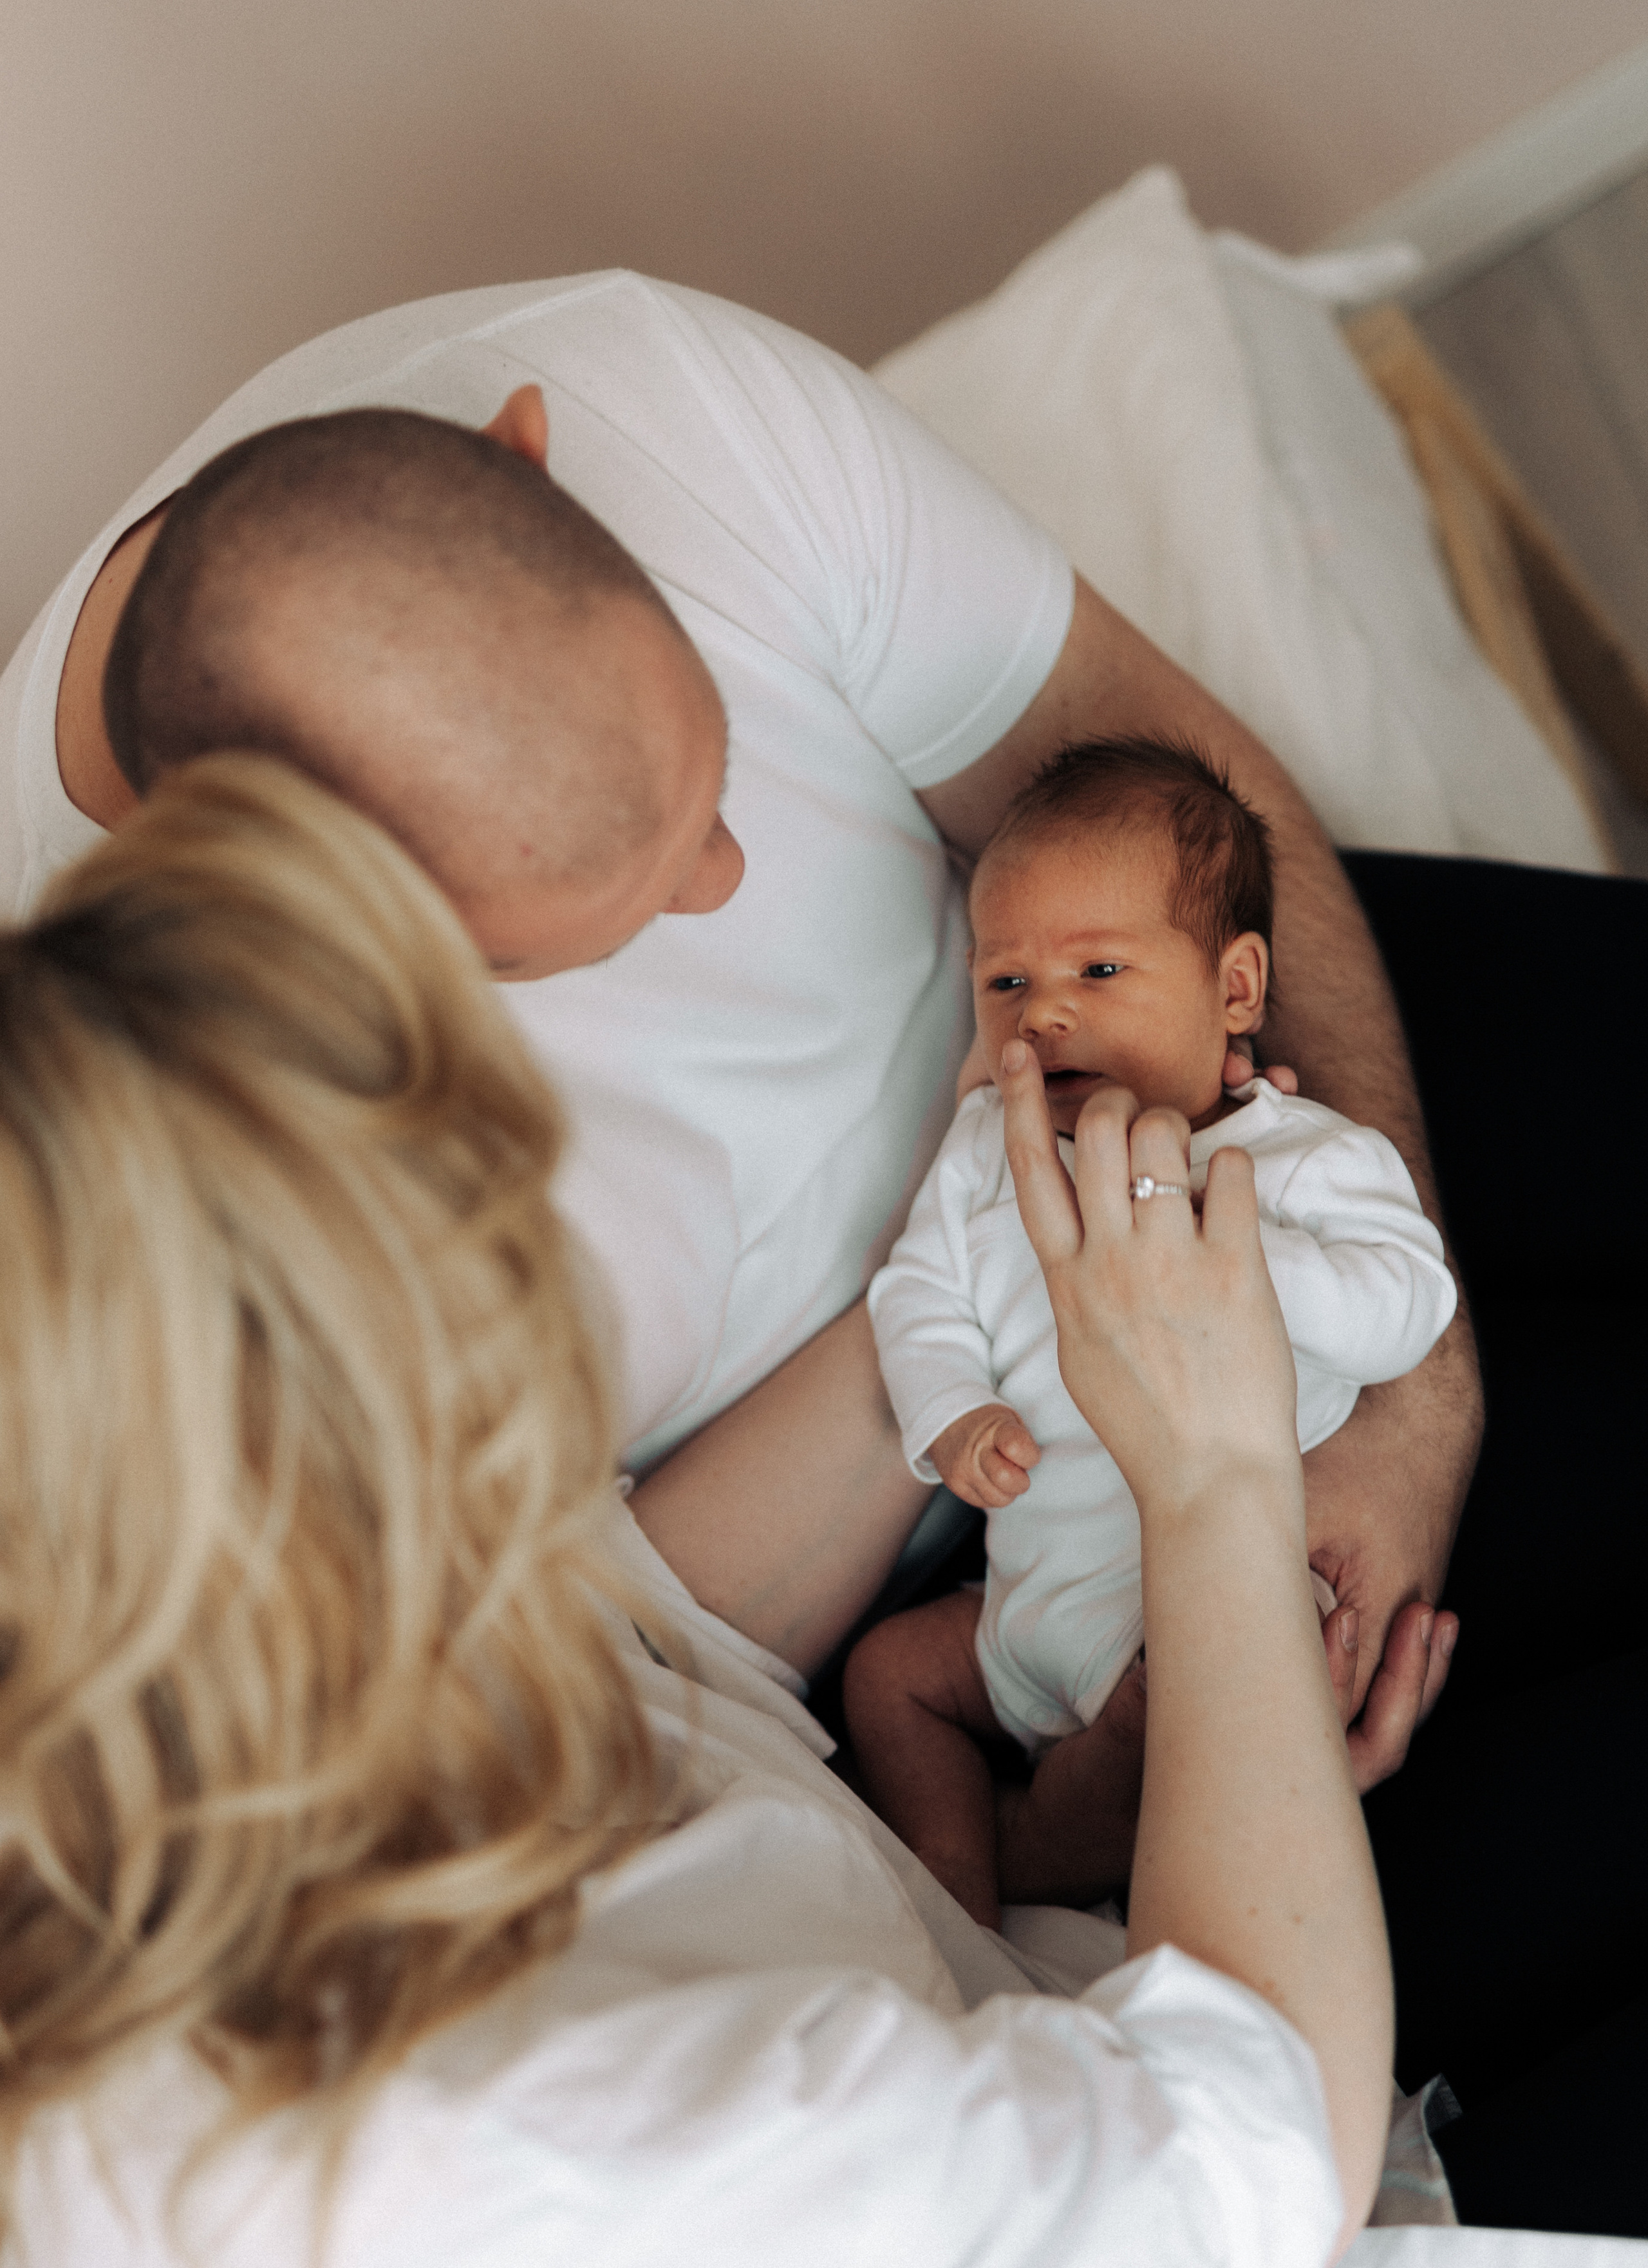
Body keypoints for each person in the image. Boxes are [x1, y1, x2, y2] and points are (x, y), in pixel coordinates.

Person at [0, 754, 1394, 2268]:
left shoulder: (152, 1682)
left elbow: (627, 1636)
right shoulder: (461, 2209)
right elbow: (1247, 2148)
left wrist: (1002, 1242)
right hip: (1308, 2242)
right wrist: (1215, 1485)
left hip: (1058, 1903)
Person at [0, 273, 1477, 1747]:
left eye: (703, 781)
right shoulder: (129, 1165)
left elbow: (1160, 771)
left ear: (528, 460)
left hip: (1282, 1170)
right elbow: (608, 1661)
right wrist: (987, 1272)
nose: (723, 882)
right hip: (932, 1587)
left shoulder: (650, 408)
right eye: (588, 928)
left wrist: (1413, 1422)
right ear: (311, 923)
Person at [849, 738, 1455, 1925]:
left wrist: (1232, 1264)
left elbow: (1409, 1305)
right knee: (887, 1677)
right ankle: (964, 1883)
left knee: (1249, 1694)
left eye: (1100, 968)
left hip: (1185, 1608)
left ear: (1234, 988)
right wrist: (951, 1412)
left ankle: (1139, 1847)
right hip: (1020, 1619)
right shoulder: (988, 1154)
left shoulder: (1300, 1162)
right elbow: (915, 1290)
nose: (1048, 1012)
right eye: (1006, 983)